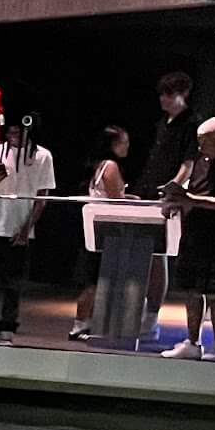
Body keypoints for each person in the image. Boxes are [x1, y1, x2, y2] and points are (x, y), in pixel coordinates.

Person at [159, 115, 215, 358]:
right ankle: (192, 341)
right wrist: (176, 201)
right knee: (191, 290)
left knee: (214, 292)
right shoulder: (201, 159)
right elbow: (194, 192)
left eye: (205, 142)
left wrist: (190, 199)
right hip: (193, 233)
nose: (200, 147)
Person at [0, 111, 54, 337]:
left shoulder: (42, 156)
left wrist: (26, 229)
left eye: (18, 131)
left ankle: (7, 326)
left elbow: (42, 197)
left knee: (12, 283)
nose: (14, 135)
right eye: (10, 131)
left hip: (20, 228)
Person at [71, 124, 134, 338]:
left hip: (95, 227)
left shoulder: (98, 166)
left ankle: (84, 322)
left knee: (94, 278)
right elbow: (116, 200)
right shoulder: (110, 167)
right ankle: (81, 324)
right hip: (106, 229)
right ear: (113, 145)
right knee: (97, 280)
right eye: (124, 142)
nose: (127, 147)